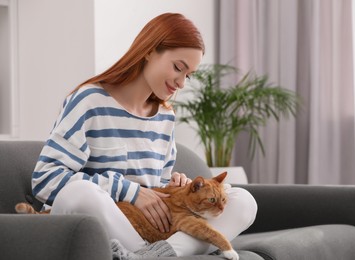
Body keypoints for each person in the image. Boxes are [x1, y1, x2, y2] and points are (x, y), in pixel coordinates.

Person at [31, 12, 257, 259]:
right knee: (80, 193)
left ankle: (153, 255)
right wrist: (132, 192)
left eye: (188, 75)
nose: (181, 83)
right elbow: (46, 181)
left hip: (145, 234)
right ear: (149, 51)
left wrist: (174, 188)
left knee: (244, 202)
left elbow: (155, 193)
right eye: (178, 68)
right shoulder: (89, 101)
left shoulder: (165, 116)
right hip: (96, 221)